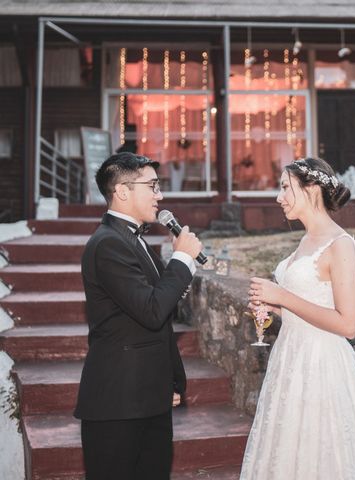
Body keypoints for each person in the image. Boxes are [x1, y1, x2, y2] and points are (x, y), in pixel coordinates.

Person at [241, 157, 355, 479]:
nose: (278, 197)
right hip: (289, 360)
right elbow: (305, 310)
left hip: (322, 364)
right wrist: (274, 309)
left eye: (285, 187)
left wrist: (282, 296)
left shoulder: (340, 244)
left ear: (311, 189)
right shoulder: (302, 242)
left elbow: (347, 323)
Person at [74, 152, 203, 480]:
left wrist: (168, 383)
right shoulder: (107, 245)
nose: (160, 195)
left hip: (149, 395)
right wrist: (183, 259)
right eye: (152, 186)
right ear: (122, 191)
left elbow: (160, 315)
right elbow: (152, 310)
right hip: (118, 403)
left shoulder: (134, 241)